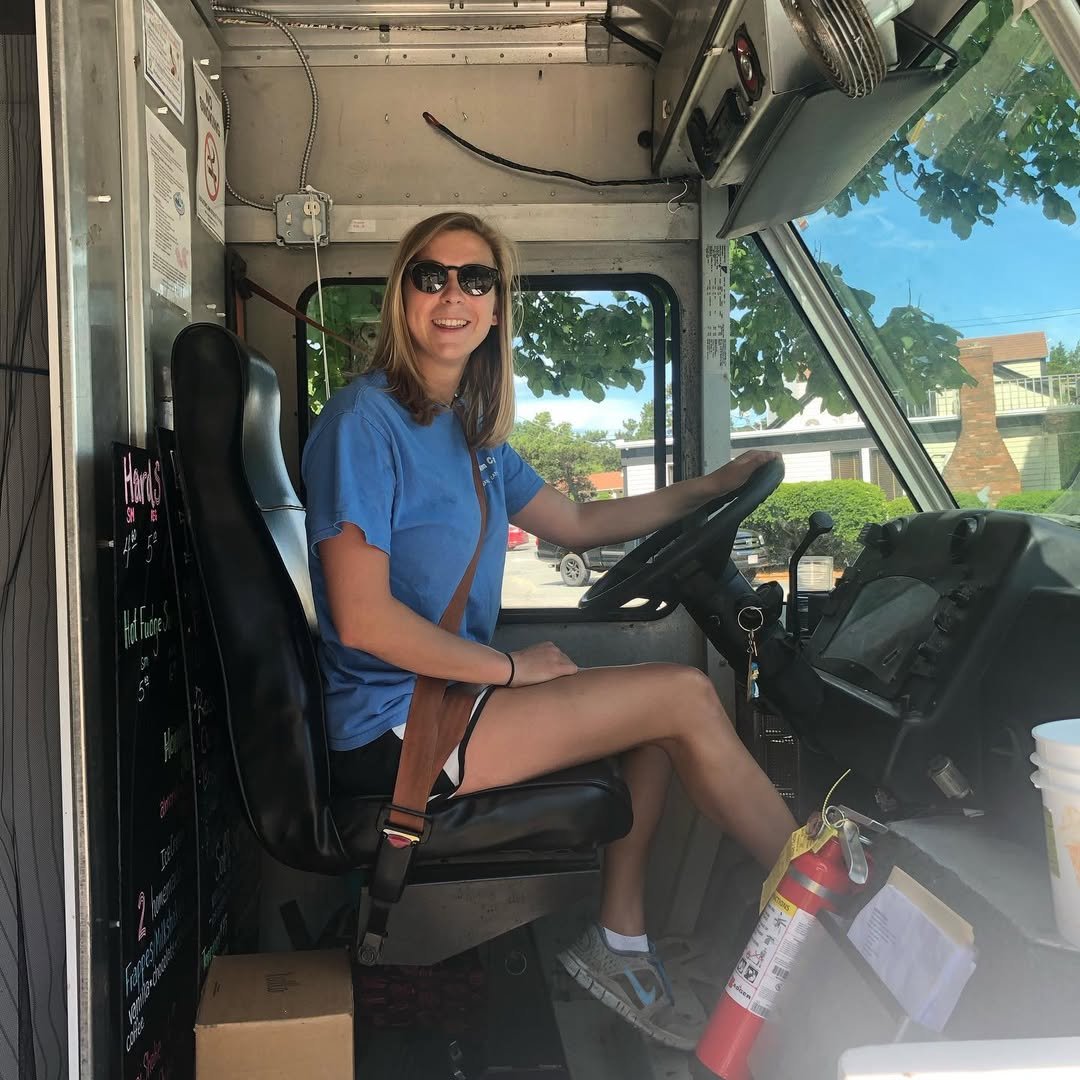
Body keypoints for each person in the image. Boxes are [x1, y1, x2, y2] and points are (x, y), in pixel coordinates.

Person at [302, 211, 797, 1050]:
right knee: (678, 693)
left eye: (476, 279)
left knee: (652, 717)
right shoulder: (364, 422)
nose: (452, 294)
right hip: (397, 726)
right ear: (402, 297)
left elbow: (574, 522)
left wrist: (707, 488)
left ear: (497, 307)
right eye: (431, 276)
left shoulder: (474, 435)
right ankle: (819, 905)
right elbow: (362, 617)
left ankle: (620, 937)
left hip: (445, 699)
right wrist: (506, 667)